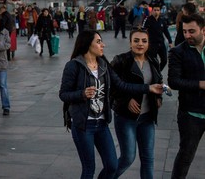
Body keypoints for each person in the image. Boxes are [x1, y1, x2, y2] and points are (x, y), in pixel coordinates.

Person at [59, 30, 162, 179]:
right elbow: (63, 94)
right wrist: (82, 94)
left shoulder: (104, 65)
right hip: (83, 125)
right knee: (89, 168)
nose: (103, 45)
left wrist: (149, 88)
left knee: (112, 165)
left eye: (101, 41)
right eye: (99, 42)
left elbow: (122, 85)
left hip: (101, 124)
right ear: (88, 44)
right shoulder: (73, 66)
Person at [110, 28, 163, 179]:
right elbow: (111, 87)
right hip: (126, 117)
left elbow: (158, 81)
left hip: (147, 117)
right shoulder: (121, 61)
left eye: (144, 41)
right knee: (128, 157)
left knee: (148, 159)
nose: (140, 44)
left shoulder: (153, 60)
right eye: (136, 41)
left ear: (148, 43)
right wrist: (126, 100)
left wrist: (159, 98)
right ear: (130, 43)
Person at [168, 13, 205, 179]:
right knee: (185, 156)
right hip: (191, 114)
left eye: (192, 31)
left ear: (203, 30)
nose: (187, 35)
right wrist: (200, 84)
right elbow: (174, 81)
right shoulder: (178, 52)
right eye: (184, 31)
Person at [142, 5, 172, 71]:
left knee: (164, 61)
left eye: (158, 10)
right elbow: (143, 31)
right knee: (153, 61)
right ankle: (154, 75)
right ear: (152, 11)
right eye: (155, 10)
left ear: (160, 11)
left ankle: (158, 72)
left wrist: (170, 41)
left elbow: (166, 32)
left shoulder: (162, 20)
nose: (156, 12)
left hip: (161, 44)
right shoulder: (147, 20)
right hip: (152, 44)